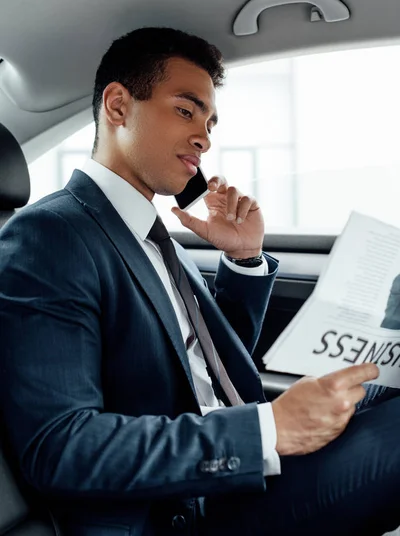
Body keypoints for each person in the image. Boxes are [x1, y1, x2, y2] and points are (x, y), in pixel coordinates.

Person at [1, 27, 400, 536]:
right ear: (119, 106)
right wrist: (268, 431)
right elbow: (62, 448)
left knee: (385, 380)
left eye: (209, 122)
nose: (205, 137)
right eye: (186, 111)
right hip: (181, 508)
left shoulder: (153, 233)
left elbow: (206, 365)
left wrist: (244, 259)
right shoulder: (50, 235)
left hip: (239, 474)